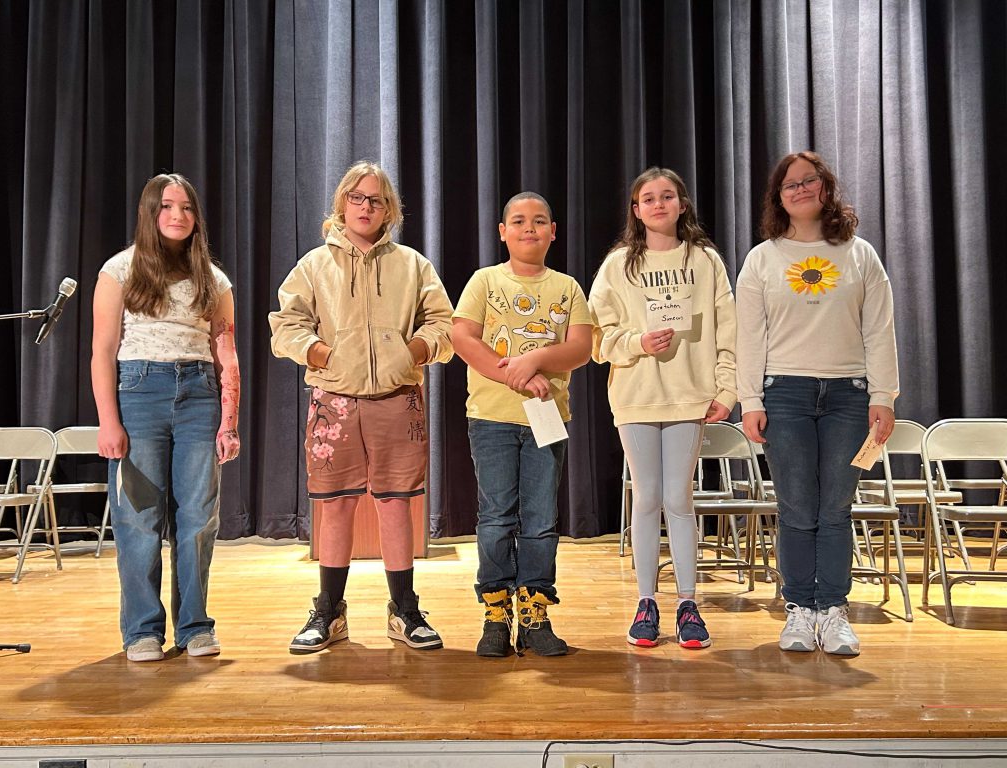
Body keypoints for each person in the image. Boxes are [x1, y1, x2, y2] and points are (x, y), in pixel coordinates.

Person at [269, 161, 453, 655]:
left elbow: (442, 322)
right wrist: (322, 354)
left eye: (375, 199)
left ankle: (405, 610)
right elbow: (285, 324)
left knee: (396, 506)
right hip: (335, 401)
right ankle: (328, 612)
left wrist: (411, 353)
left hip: (398, 399)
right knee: (335, 506)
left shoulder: (413, 265)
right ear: (342, 204)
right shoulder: (314, 265)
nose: (366, 207)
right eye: (357, 198)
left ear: (388, 208)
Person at [736, 151, 899, 656]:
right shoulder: (763, 258)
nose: (800, 190)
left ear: (825, 188)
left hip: (849, 396)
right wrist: (749, 399)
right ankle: (799, 609)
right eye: (790, 185)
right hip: (785, 394)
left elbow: (879, 329)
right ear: (778, 198)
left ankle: (833, 610)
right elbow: (749, 335)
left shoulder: (859, 254)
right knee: (796, 507)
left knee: (835, 508)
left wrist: (884, 396)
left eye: (809, 181)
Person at [92, 173, 241, 662]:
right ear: (150, 213)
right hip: (139, 391)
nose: (178, 216)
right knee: (139, 518)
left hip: (199, 392)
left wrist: (229, 419)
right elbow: (102, 352)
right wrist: (109, 422)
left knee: (199, 517)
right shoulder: (120, 269)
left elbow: (227, 353)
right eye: (167, 207)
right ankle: (142, 630)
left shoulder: (212, 279)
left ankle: (195, 625)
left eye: (186, 208)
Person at [588, 167, 736, 650]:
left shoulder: (706, 261)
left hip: (689, 395)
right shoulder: (617, 266)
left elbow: (729, 330)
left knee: (680, 497)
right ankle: (646, 600)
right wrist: (637, 342)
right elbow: (597, 338)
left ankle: (688, 603)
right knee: (647, 496)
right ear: (636, 209)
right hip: (635, 397)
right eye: (647, 198)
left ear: (682, 204)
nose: (657, 204)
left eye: (666, 196)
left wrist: (727, 390)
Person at [452, 192, 592, 658]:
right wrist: (509, 373)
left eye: (538, 221)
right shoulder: (484, 281)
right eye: (518, 221)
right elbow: (462, 337)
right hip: (491, 418)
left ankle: (535, 610)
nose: (528, 228)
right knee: (495, 517)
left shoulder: (567, 287)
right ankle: (495, 609)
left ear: (554, 231)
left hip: (546, 420)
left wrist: (532, 360)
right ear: (502, 232)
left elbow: (579, 348)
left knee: (540, 520)